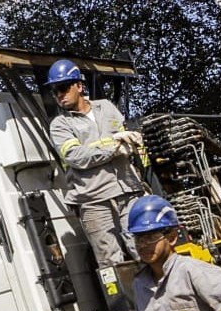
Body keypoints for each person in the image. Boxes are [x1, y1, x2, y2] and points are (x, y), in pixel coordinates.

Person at [45, 58, 147, 269]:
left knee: (145, 248)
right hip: (94, 201)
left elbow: (124, 135)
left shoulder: (107, 108)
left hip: (129, 192)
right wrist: (115, 147)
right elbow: (77, 156)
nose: (59, 95)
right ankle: (123, 302)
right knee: (111, 263)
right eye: (55, 91)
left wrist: (130, 142)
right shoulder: (60, 125)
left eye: (63, 88)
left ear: (79, 86)